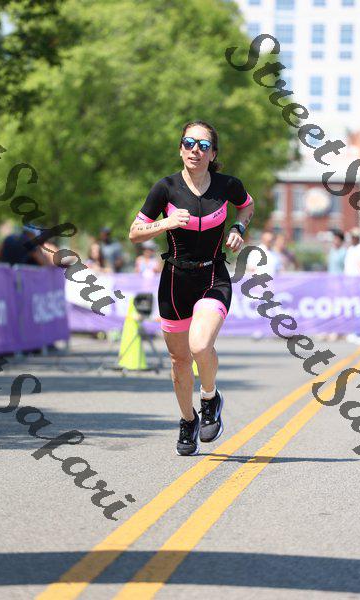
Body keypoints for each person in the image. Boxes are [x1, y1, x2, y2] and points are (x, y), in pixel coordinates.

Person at [129, 120, 254, 456]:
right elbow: (134, 232)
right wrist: (166, 222)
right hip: (174, 281)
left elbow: (247, 204)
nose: (194, 150)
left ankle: (210, 398)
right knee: (179, 360)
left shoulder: (227, 185)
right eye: (188, 143)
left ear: (213, 153)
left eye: (203, 145)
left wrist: (239, 228)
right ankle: (188, 420)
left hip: (213, 275)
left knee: (200, 345)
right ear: (180, 148)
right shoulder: (165, 188)